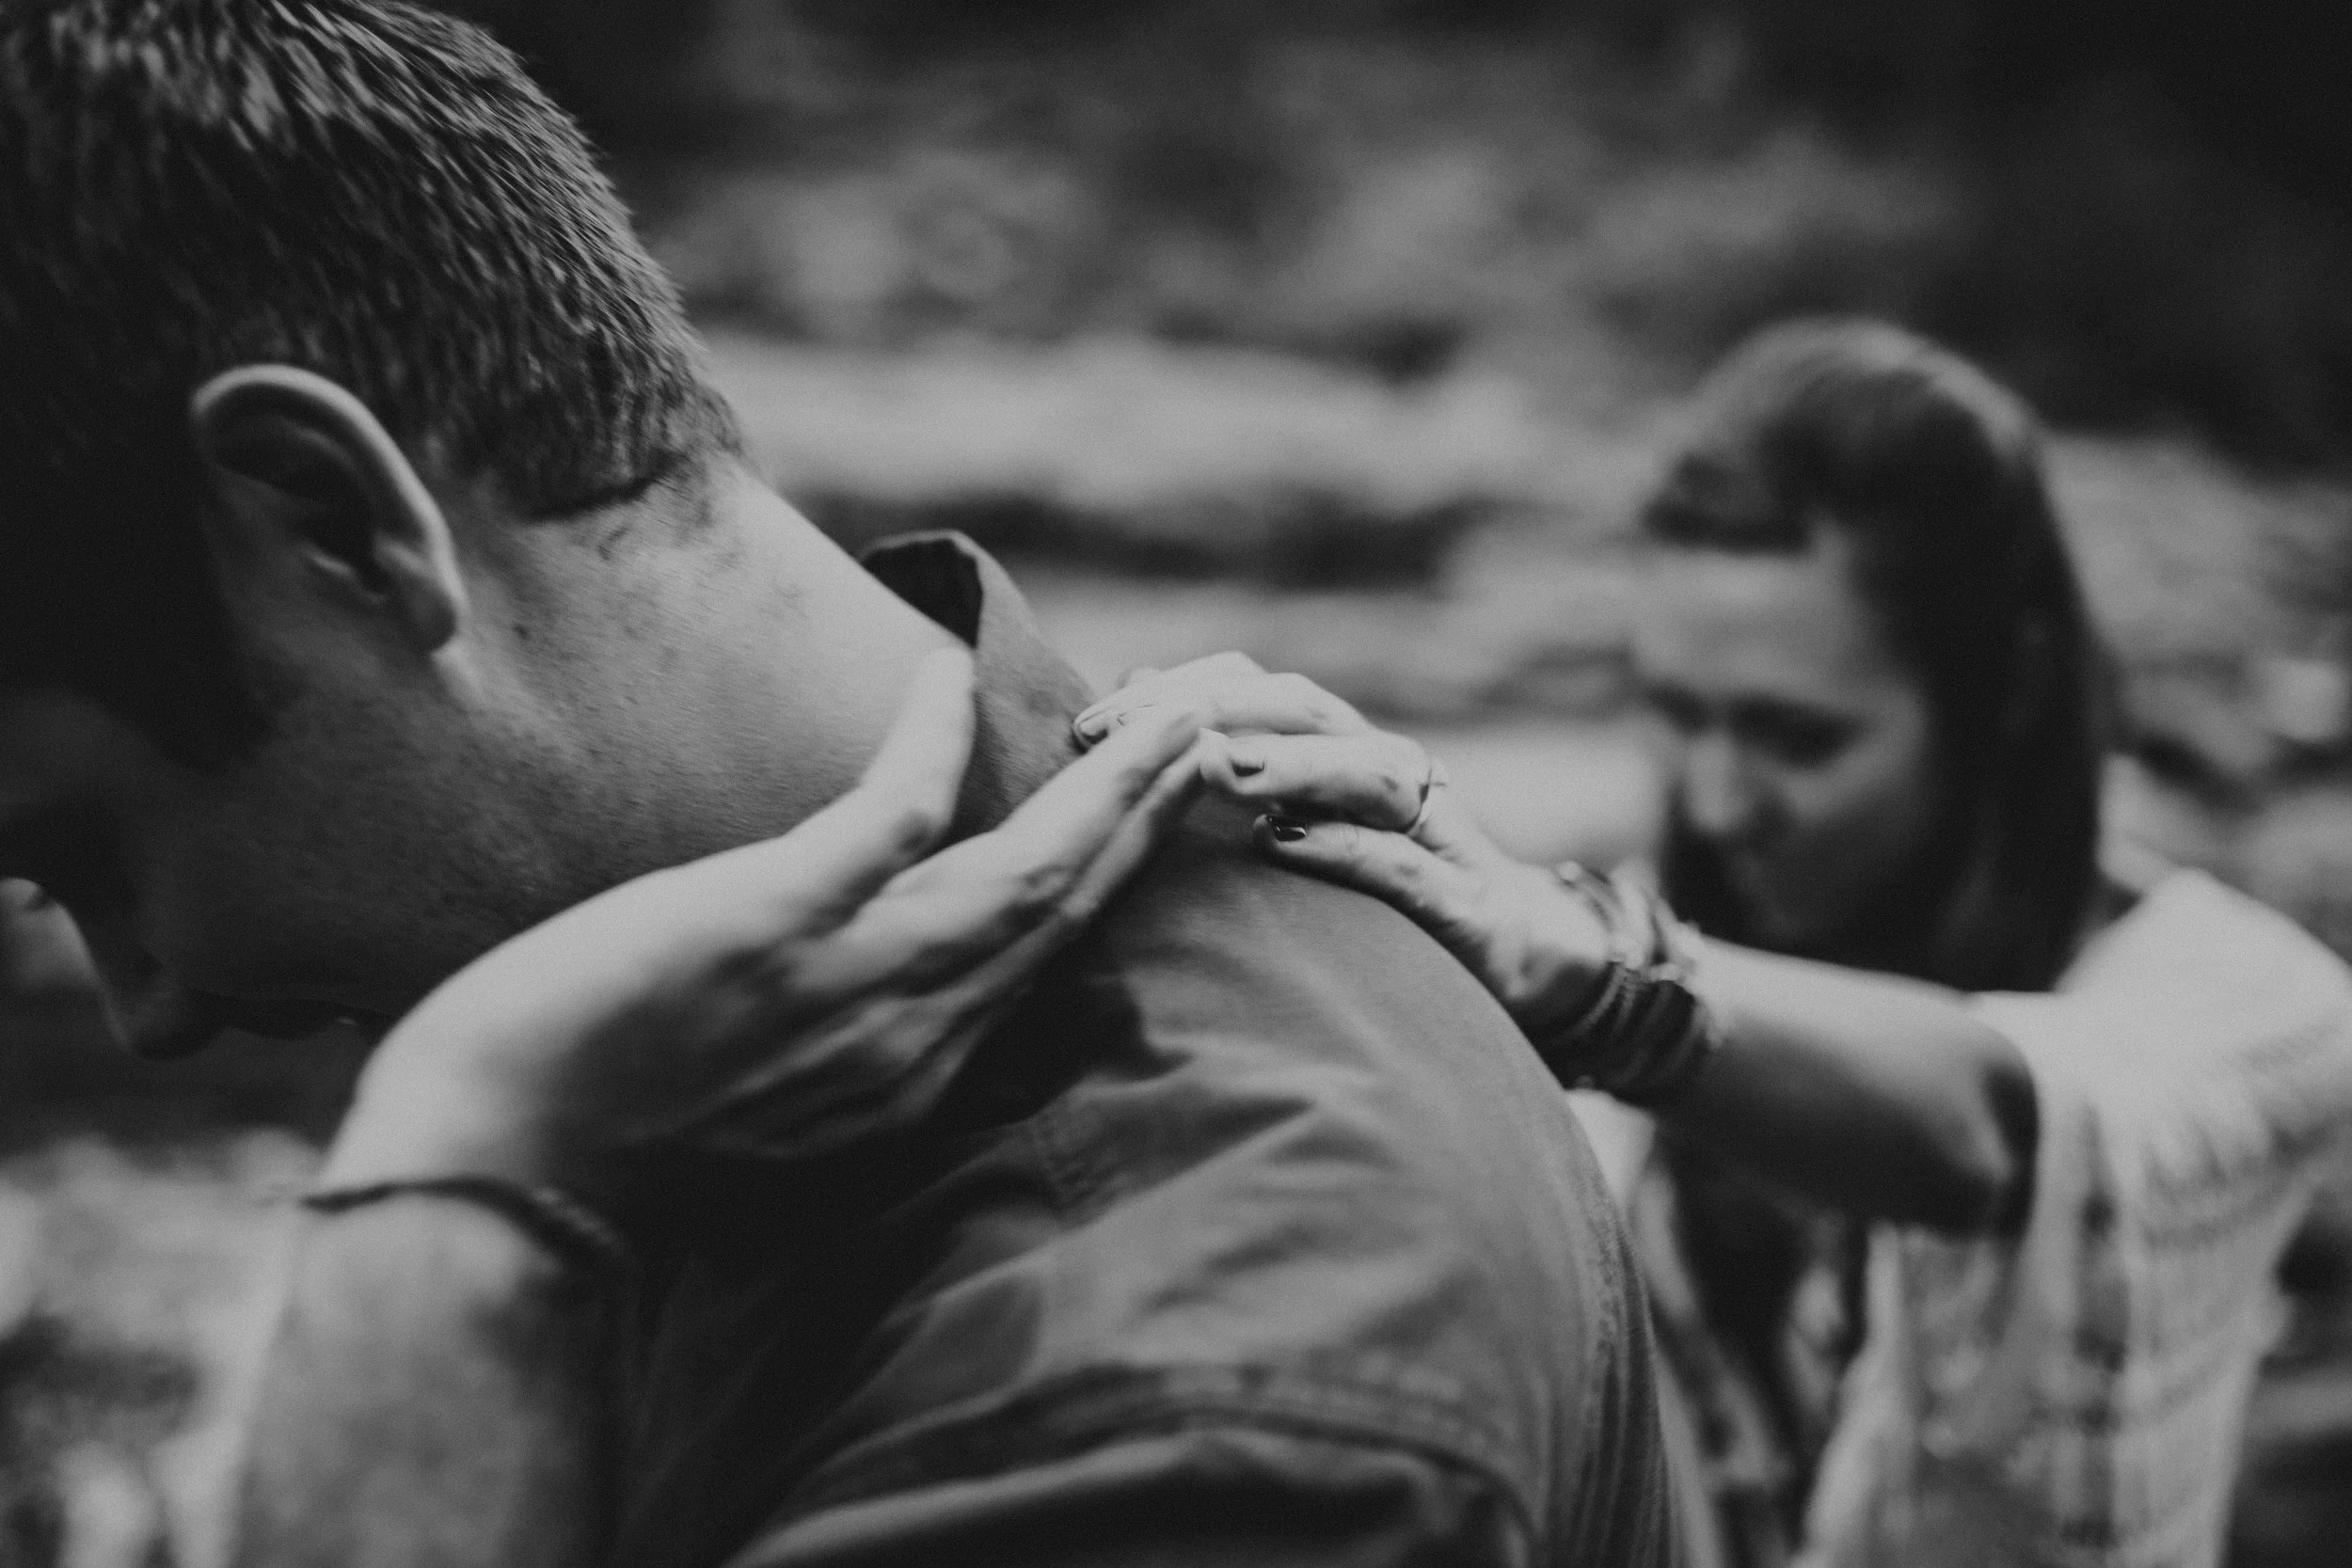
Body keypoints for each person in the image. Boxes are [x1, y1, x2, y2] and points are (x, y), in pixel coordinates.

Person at [0, 4, 1674, 1565]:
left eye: (92, 851)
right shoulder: (692, 1082)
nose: (145, 1009)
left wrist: (440, 1199)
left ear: (332, 525)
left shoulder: (1190, 1386)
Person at [1077, 320, 2352, 1568]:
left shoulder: (2254, 1007)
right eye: (1678, 714)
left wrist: (1608, 995)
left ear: (2007, 687)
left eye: (1799, 737)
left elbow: (1994, 1133)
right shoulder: (1610, 936)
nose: (1718, 801)